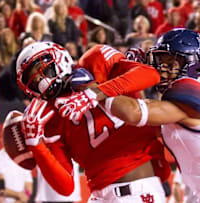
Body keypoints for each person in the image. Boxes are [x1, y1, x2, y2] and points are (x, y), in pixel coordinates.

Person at [58, 29, 200, 203]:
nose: (162, 70)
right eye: (160, 62)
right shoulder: (184, 100)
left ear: (194, 64)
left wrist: (93, 89)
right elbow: (139, 124)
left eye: (171, 64)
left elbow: (134, 112)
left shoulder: (194, 89)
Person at [15, 42, 170, 202]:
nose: (42, 81)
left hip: (134, 190)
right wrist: (36, 143)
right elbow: (66, 187)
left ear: (59, 58)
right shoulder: (47, 116)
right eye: (35, 80)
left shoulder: (94, 60)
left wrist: (95, 92)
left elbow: (150, 75)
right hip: (97, 195)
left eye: (44, 70)